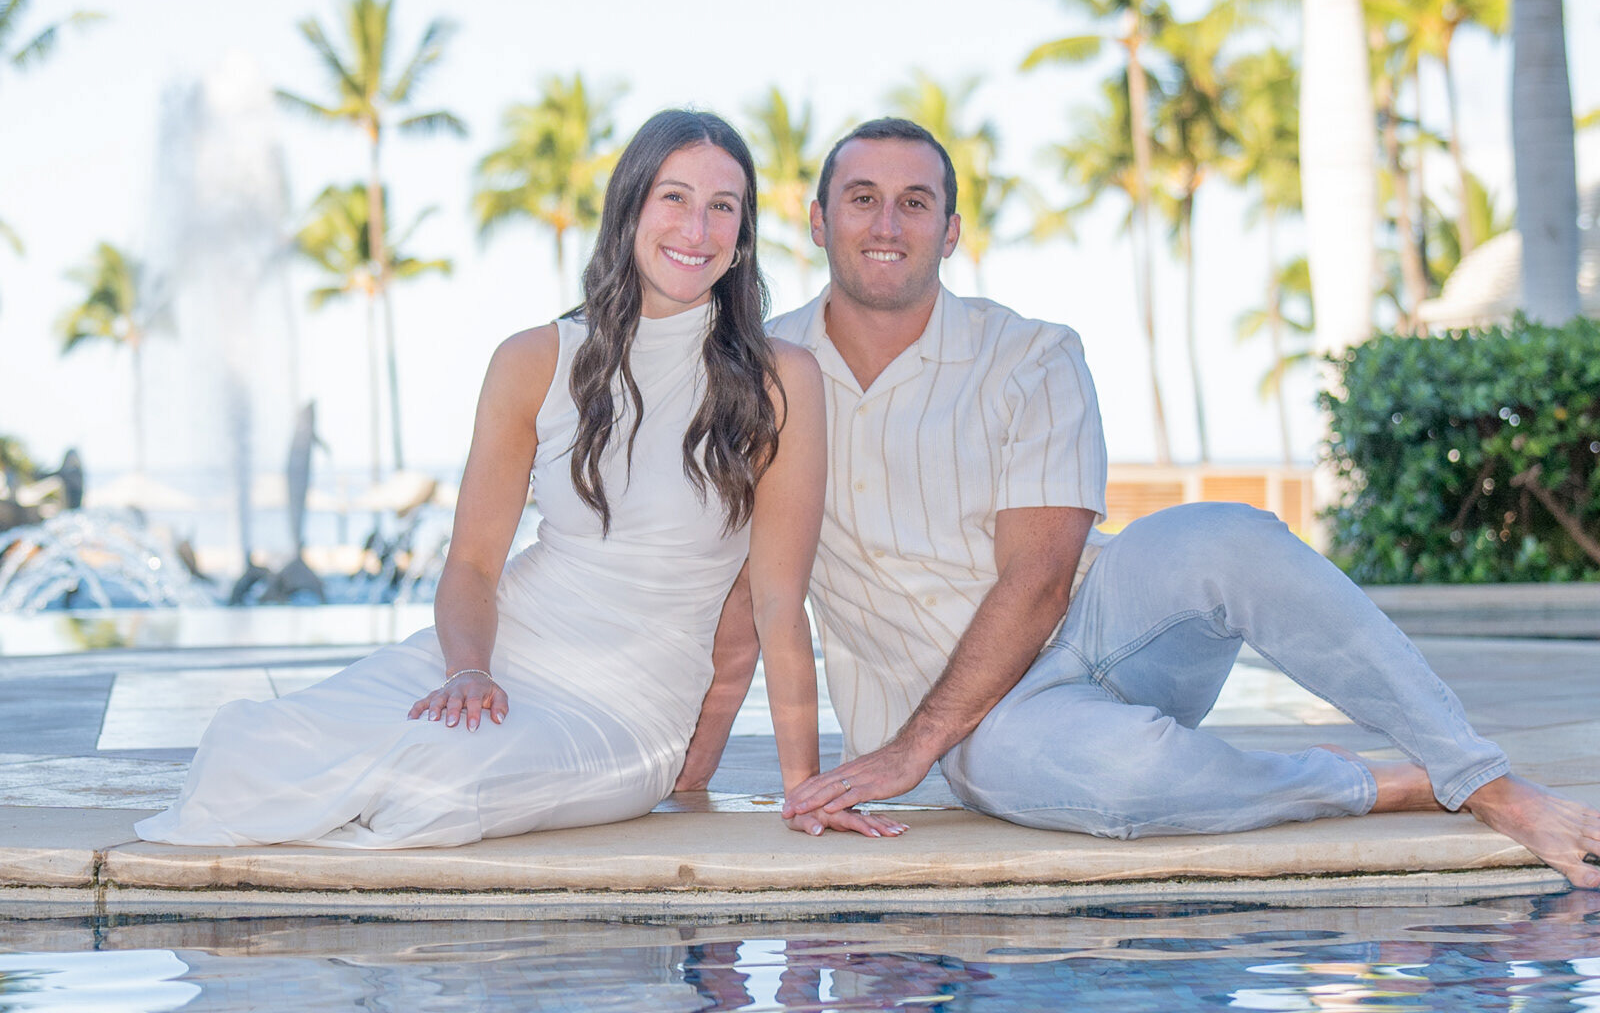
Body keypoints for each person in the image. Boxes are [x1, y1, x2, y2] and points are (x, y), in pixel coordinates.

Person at [676, 117, 1600, 890]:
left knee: (1230, 534)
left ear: (950, 230)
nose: (888, 221)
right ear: (816, 220)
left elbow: (1040, 577)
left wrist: (908, 750)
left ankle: (1481, 776)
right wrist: (694, 781)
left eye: (915, 201)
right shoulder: (762, 378)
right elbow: (747, 596)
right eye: (863, 197)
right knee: (1111, 777)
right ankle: (1381, 784)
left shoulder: (1031, 354)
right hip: (981, 732)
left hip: (1102, 635)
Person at [135, 110, 905, 849]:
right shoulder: (534, 359)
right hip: (499, 657)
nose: (696, 230)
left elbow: (776, 600)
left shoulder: (781, 380)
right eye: (674, 198)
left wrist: (805, 786)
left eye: (722, 207)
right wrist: (467, 671)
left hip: (626, 710)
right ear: (630, 210)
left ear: (743, 237)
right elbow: (471, 564)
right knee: (251, 748)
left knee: (439, 784)